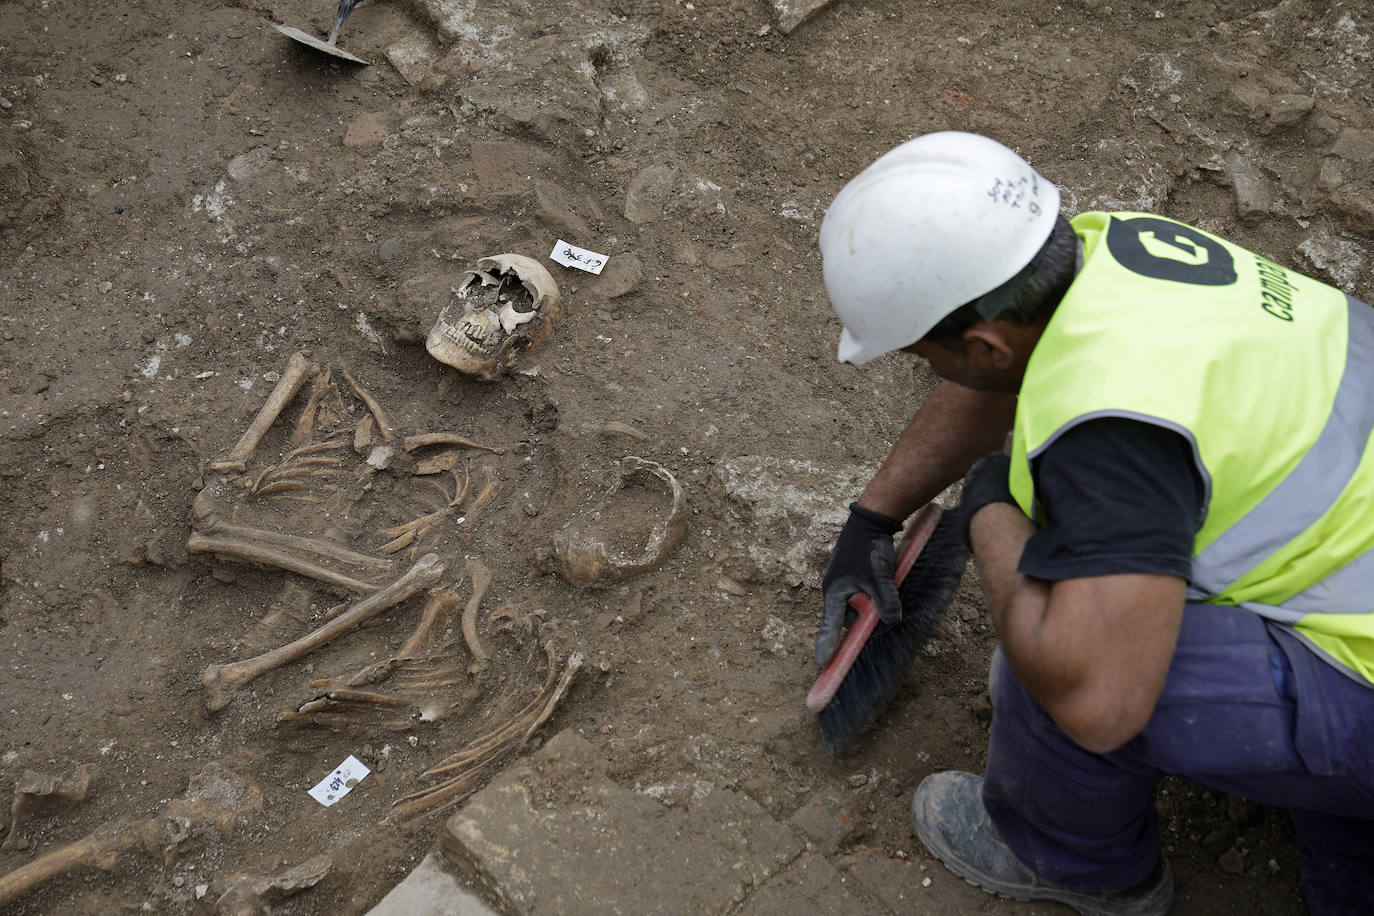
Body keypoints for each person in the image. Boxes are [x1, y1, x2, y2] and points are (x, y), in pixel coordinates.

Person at [815, 131, 1374, 915]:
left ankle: (1079, 865)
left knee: (1052, 664)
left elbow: (1100, 700)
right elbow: (1005, 370)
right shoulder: (1113, 252)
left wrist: (990, 512)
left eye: (922, 355)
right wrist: (874, 517)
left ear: (979, 345)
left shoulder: (1112, 442)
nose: (928, 369)